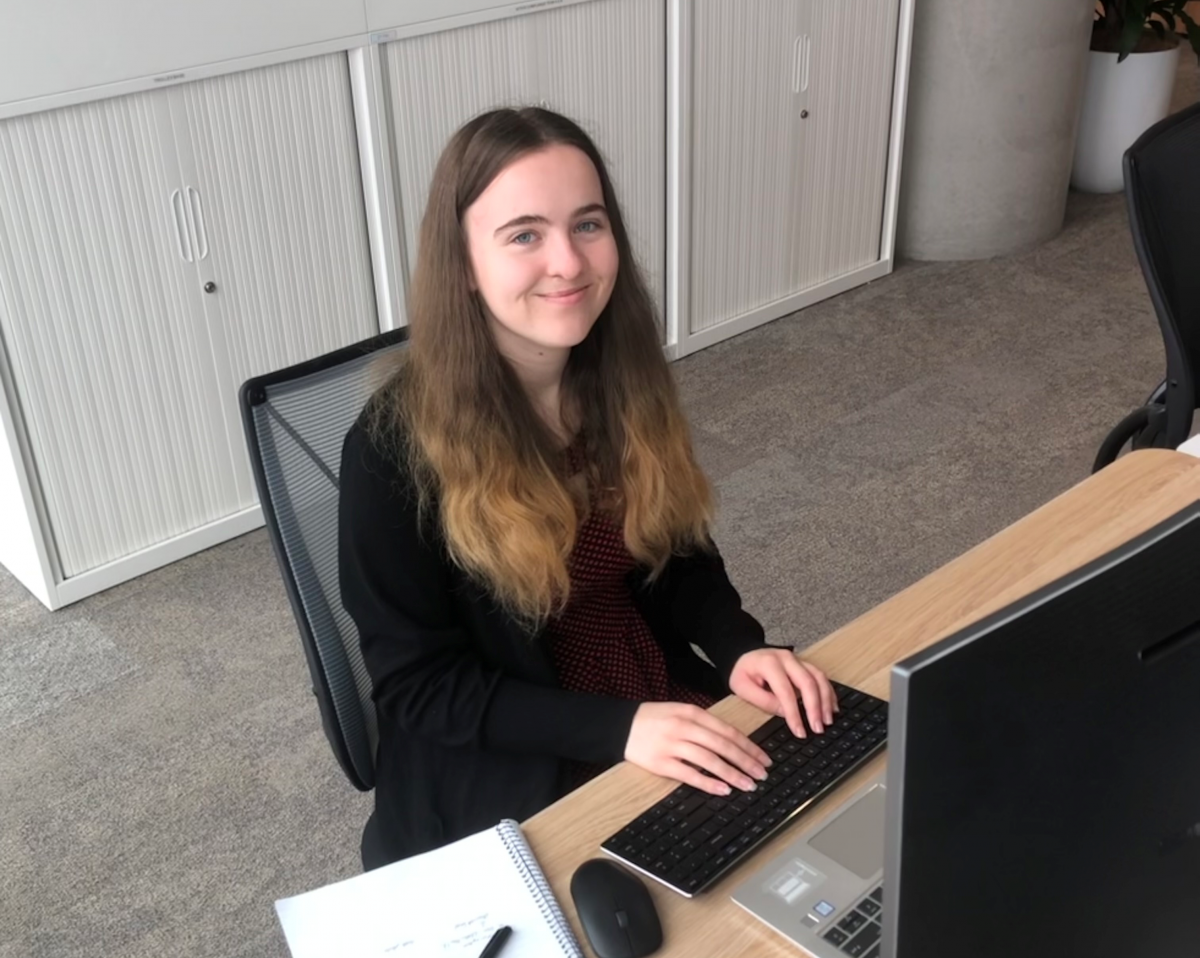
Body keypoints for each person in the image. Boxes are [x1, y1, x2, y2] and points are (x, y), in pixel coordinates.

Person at [338, 107, 836, 870]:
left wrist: (739, 648)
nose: (568, 262)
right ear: (464, 265)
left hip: (644, 683)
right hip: (512, 750)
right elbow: (419, 687)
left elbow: (675, 553)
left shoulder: (617, 376)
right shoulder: (390, 450)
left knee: (806, 815)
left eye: (588, 224)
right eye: (525, 235)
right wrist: (622, 731)